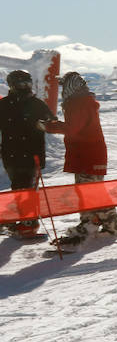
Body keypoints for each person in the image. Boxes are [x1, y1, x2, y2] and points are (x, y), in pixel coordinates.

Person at [45, 72, 117, 246]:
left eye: (65, 86)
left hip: (88, 155)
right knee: (90, 191)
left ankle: (100, 225)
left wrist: (49, 126)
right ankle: (100, 223)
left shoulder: (79, 103)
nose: (63, 90)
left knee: (90, 192)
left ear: (72, 87)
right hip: (88, 154)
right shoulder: (81, 102)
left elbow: (73, 129)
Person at [0, 70, 56, 240]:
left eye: (28, 83)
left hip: (32, 154)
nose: (25, 87)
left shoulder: (36, 104)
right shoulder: (4, 104)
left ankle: (29, 224)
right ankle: (20, 219)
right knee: (17, 186)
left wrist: (45, 124)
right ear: (12, 85)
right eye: (21, 83)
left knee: (28, 188)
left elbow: (52, 122)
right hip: (10, 153)